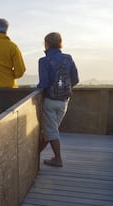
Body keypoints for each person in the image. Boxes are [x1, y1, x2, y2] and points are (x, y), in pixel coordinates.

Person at [38, 32, 79, 167]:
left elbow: (43, 84)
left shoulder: (43, 61)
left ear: (47, 43)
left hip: (50, 101)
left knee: (51, 131)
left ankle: (57, 159)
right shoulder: (68, 58)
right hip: (64, 101)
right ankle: (36, 154)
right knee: (51, 130)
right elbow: (76, 79)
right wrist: (65, 89)